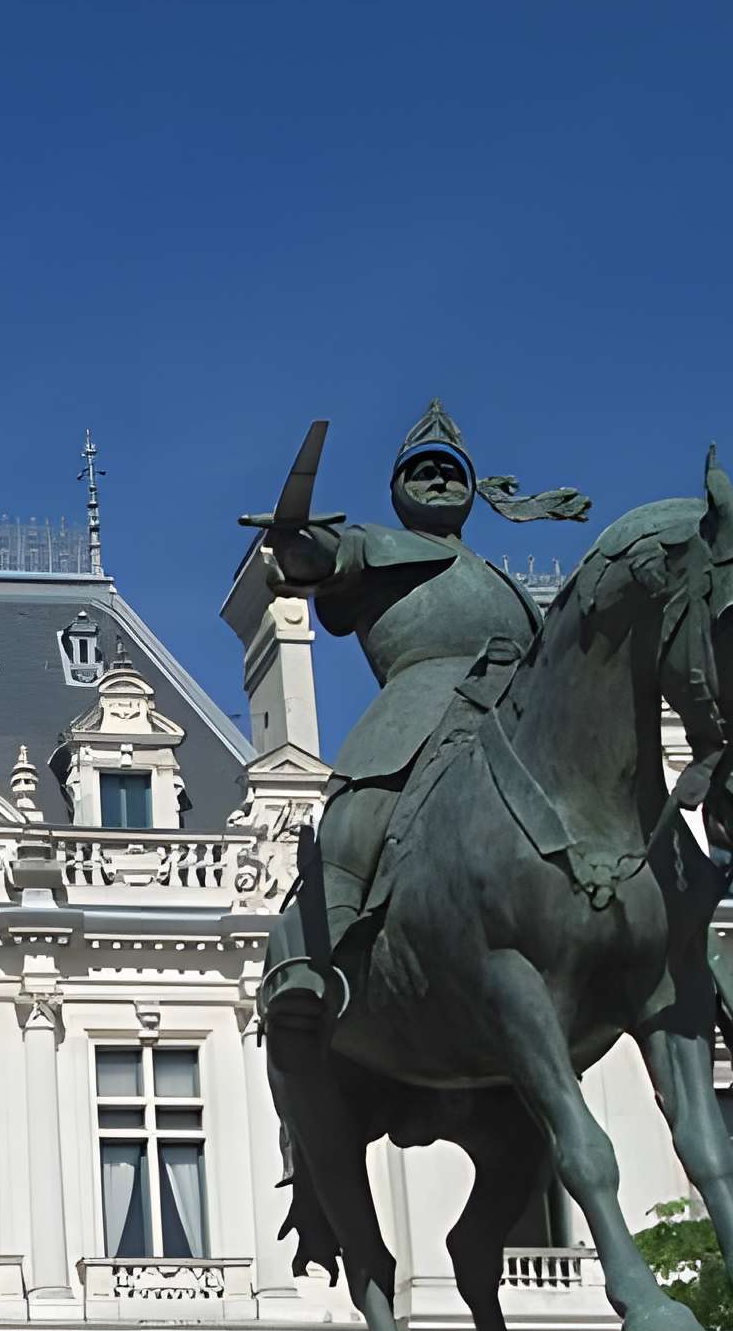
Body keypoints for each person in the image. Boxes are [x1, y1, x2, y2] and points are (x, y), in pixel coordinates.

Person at [251, 401, 588, 1030]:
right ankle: (312, 961)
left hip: (515, 709)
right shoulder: (375, 545)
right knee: (358, 817)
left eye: (448, 470)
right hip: (419, 706)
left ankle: (708, 988)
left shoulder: (504, 581)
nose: (437, 479)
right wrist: (295, 543)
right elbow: (320, 559)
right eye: (422, 470)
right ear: (398, 488)